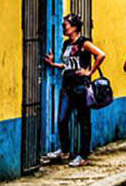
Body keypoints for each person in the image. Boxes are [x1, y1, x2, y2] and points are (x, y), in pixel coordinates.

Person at [43, 13, 105, 167]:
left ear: (75, 27)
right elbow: (68, 65)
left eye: (66, 25)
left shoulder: (84, 43)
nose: (64, 27)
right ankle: (64, 151)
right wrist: (53, 64)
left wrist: (90, 72)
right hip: (67, 87)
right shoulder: (66, 44)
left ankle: (83, 156)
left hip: (80, 87)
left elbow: (101, 55)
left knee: (84, 121)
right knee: (62, 119)